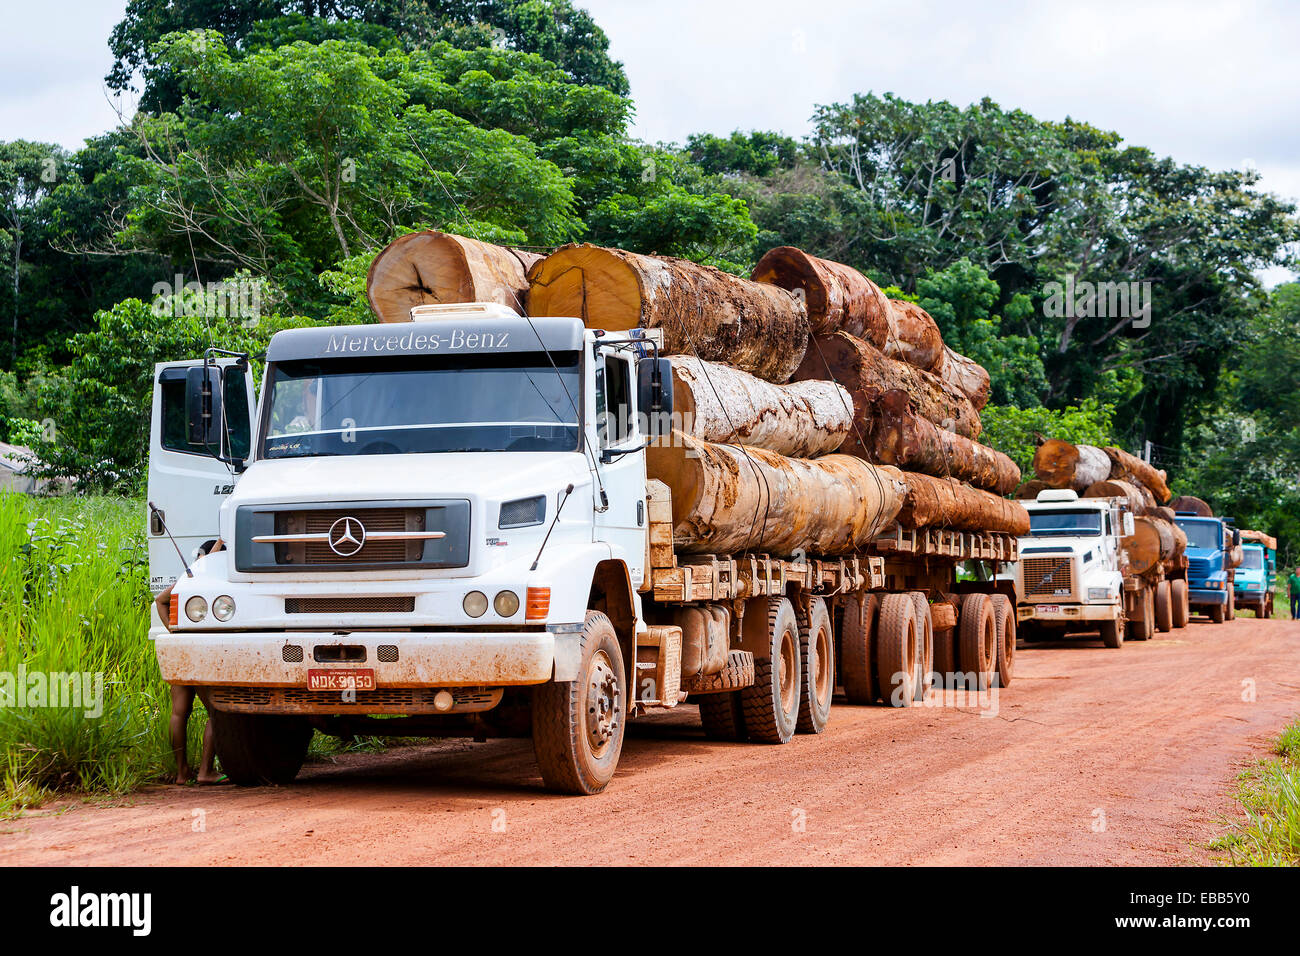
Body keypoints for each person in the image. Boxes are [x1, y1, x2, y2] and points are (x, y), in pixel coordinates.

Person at [153, 539, 226, 785]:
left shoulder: (187, 580)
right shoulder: (213, 580)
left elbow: (159, 601)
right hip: (202, 653)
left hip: (182, 650)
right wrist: (220, 542)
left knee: (178, 713)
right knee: (217, 711)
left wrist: (174, 631)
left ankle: (182, 773)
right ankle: (206, 771)